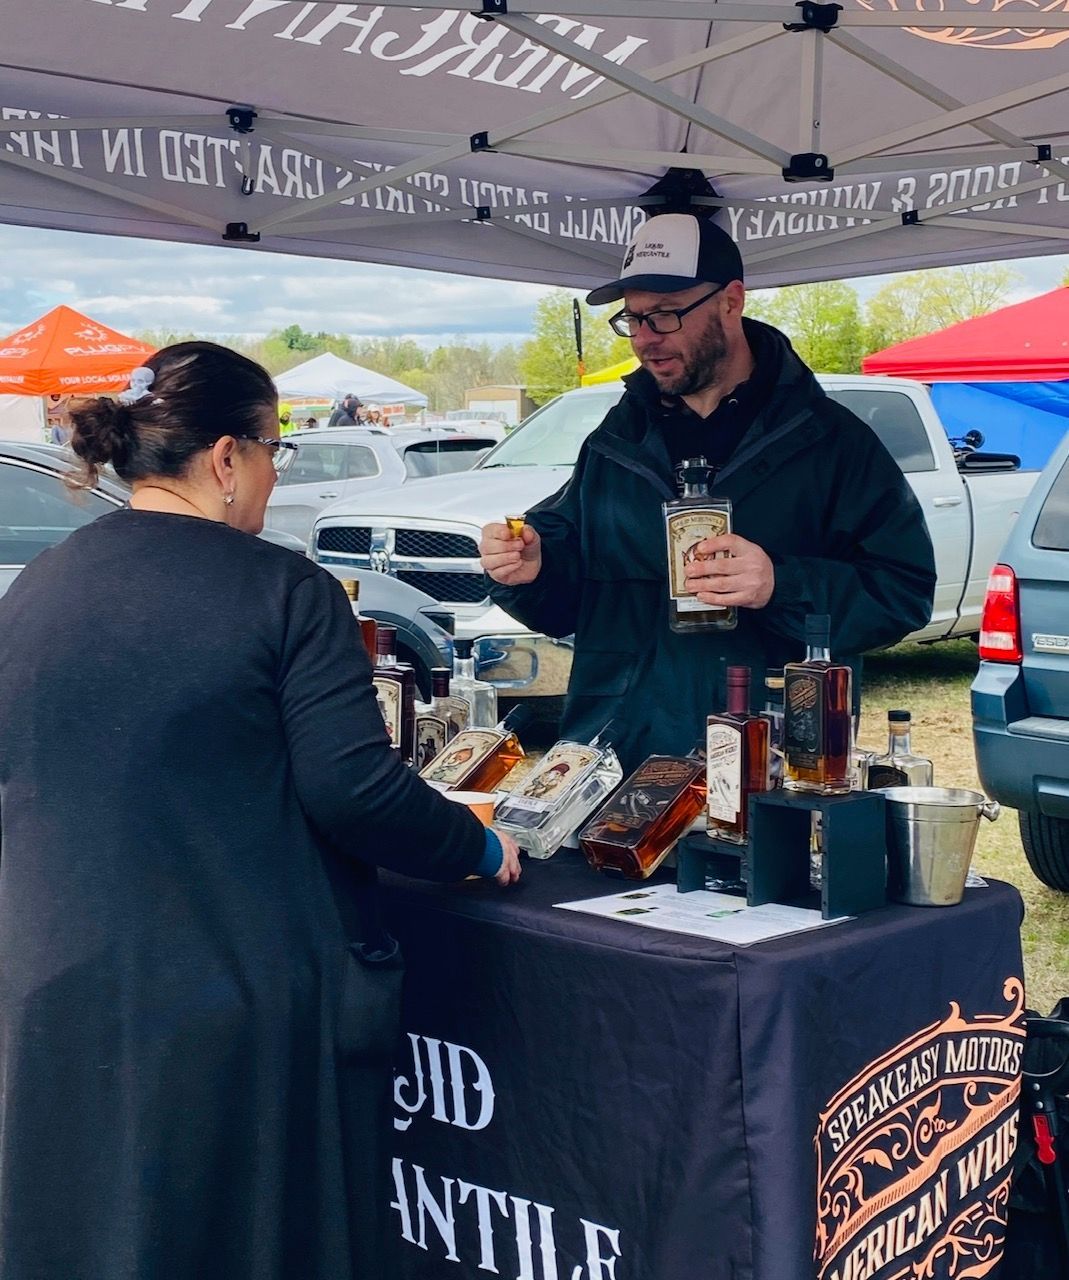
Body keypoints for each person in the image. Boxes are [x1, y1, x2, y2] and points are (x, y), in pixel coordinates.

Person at [0, 341, 521, 1280]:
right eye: (276, 448)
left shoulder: (36, 588)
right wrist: (474, 846)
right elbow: (353, 789)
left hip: (52, 980)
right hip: (228, 1002)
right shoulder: (284, 590)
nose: (278, 474)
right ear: (227, 457)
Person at [480, 213, 936, 772]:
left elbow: (903, 591)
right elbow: (572, 587)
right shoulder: (615, 441)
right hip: (618, 759)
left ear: (731, 301)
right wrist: (534, 566)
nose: (646, 338)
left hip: (772, 759)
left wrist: (780, 583)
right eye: (633, 319)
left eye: (666, 316)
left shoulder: (830, 442)